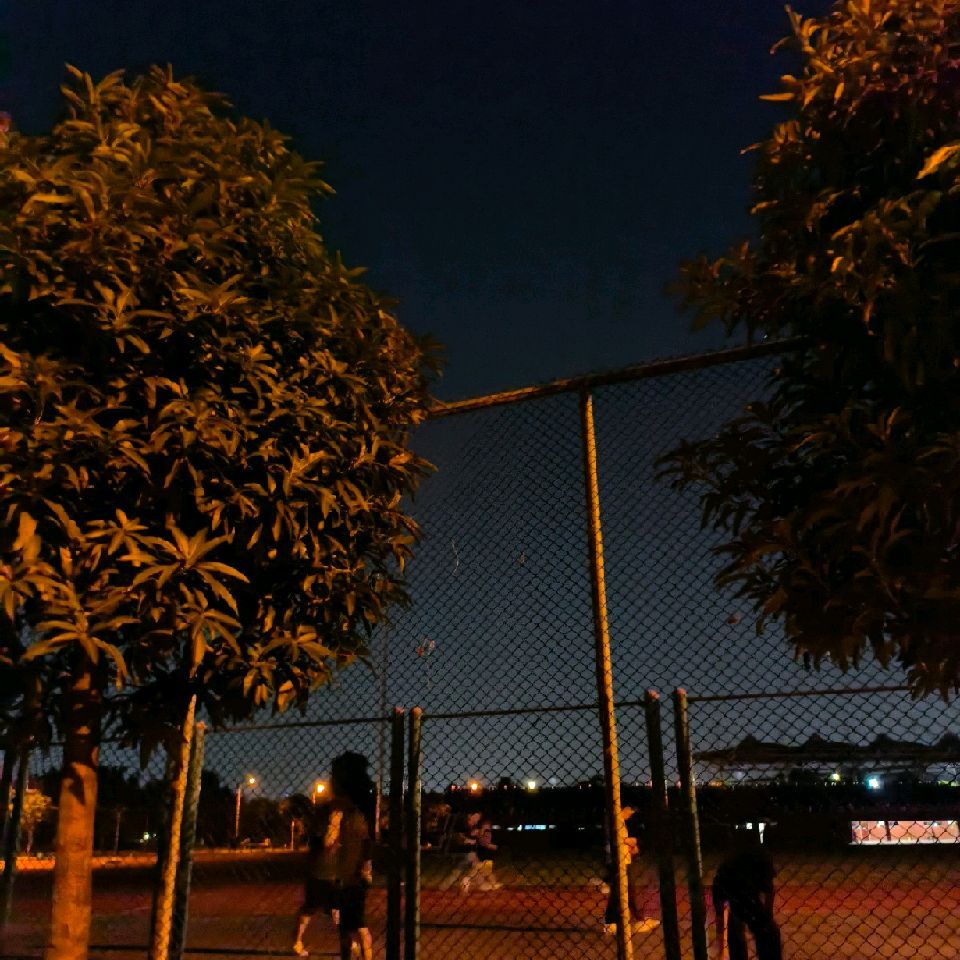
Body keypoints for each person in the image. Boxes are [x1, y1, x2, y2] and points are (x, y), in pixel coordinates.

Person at [293, 752, 375, 960]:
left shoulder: (341, 810)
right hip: (335, 874)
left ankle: (302, 941)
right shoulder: (353, 810)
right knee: (347, 918)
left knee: (325, 911)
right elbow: (357, 843)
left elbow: (324, 840)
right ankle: (349, 946)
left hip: (333, 873)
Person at [711, 828, 782, 960]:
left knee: (740, 926)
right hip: (740, 897)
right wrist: (768, 916)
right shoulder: (756, 857)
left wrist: (720, 934)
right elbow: (769, 890)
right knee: (763, 930)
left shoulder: (733, 862)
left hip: (741, 898)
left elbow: (769, 889)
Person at [603, 806, 660, 936]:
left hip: (623, 860)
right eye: (630, 811)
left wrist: (631, 847)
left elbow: (621, 842)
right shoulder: (616, 821)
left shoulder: (620, 822)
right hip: (618, 862)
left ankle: (614, 922)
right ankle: (629, 920)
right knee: (623, 891)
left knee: (623, 891)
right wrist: (631, 841)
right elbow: (616, 840)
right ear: (624, 809)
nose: (631, 814)